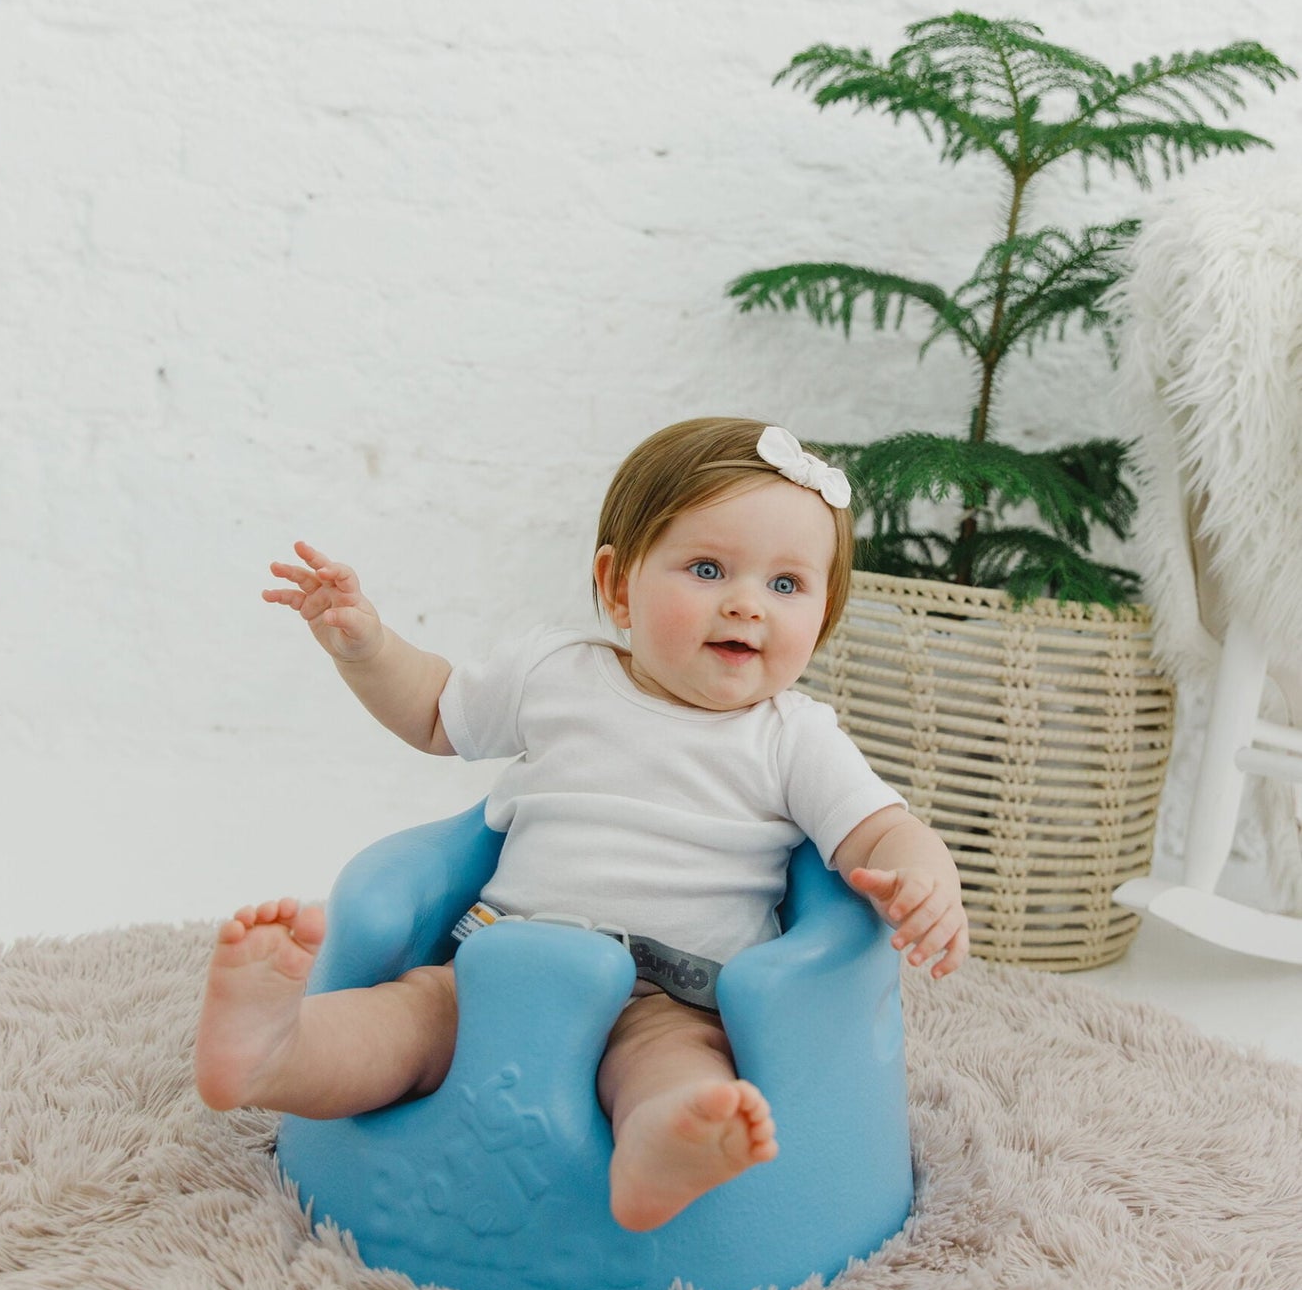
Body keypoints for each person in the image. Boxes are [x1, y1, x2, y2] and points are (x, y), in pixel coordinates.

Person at [195, 417, 967, 1233]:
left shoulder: (793, 736)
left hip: (670, 992)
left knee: (678, 1070)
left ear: (823, 615)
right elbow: (433, 712)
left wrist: (925, 880)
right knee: (407, 1024)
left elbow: (881, 831)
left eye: (787, 585)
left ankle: (662, 1153)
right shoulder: (557, 672)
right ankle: (277, 1050)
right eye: (707, 569)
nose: (746, 603)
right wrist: (367, 646)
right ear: (618, 585)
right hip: (496, 956)